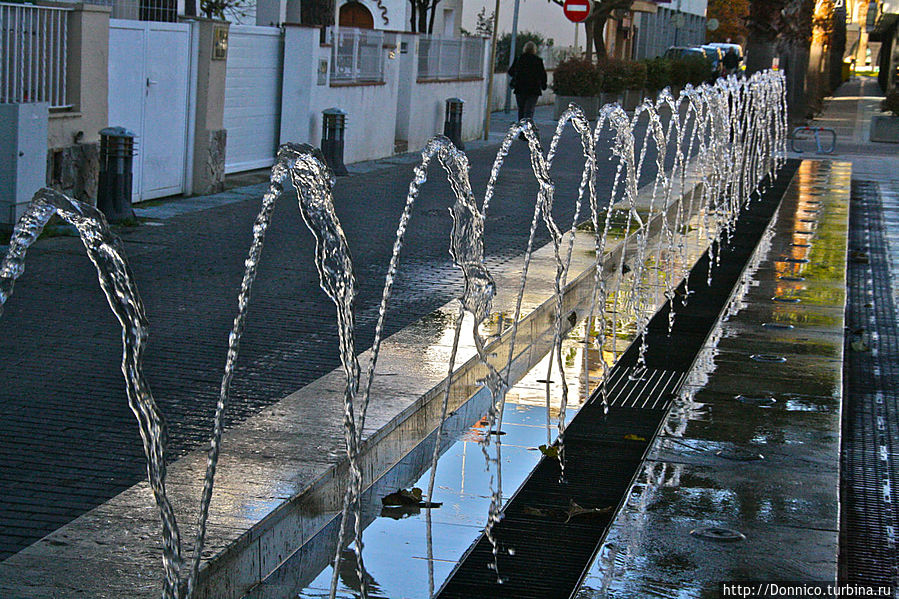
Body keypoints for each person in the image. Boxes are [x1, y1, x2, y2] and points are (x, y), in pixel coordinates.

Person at [508, 41, 547, 124]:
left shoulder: (519, 59)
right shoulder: (538, 60)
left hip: (520, 88)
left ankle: (522, 130)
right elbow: (542, 75)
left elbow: (511, 71)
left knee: (521, 111)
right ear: (534, 50)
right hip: (533, 89)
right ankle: (527, 131)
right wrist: (543, 85)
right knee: (529, 111)